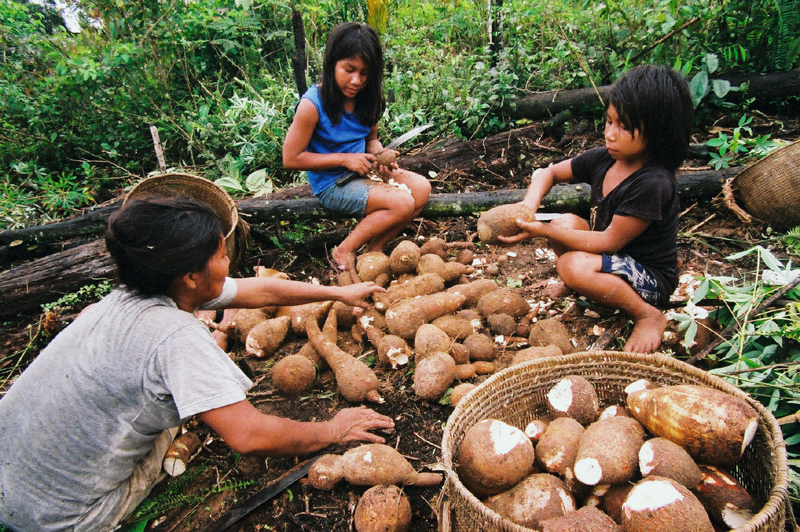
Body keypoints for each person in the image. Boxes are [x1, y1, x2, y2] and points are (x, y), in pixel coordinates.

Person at [0, 195, 394, 532]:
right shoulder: (176, 337)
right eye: (222, 257)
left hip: (9, 472)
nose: (228, 264)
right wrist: (333, 429)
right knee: (173, 411)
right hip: (61, 517)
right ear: (190, 277)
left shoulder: (136, 290)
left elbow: (260, 289)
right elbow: (249, 436)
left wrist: (337, 292)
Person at [499, 65, 693, 353]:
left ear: (658, 132)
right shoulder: (605, 159)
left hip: (649, 279)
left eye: (624, 127)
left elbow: (609, 240)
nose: (610, 134)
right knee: (566, 222)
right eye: (609, 121)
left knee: (571, 263)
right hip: (611, 258)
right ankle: (583, 283)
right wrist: (529, 205)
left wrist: (542, 230)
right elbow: (548, 173)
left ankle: (646, 315)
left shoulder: (653, 182)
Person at [283, 22, 431, 270]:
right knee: (402, 202)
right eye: (349, 70)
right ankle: (344, 250)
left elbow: (371, 140)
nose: (356, 80)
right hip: (332, 184)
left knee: (422, 188)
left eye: (364, 74)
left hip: (363, 172)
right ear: (332, 64)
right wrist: (344, 159)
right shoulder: (312, 105)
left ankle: (375, 248)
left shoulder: (368, 98)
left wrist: (381, 154)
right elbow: (291, 158)